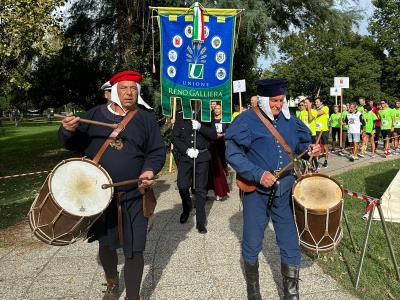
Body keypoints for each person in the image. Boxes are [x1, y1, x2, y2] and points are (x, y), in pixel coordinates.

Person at [59, 70, 166, 300]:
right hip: (100, 197)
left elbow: (156, 151)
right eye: (124, 88)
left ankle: (134, 296)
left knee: (135, 248)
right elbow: (74, 143)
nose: (129, 93)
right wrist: (67, 130)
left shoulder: (145, 119)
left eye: (133, 89)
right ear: (114, 92)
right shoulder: (95, 114)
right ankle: (112, 283)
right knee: (106, 244)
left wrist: (149, 170)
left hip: (135, 193)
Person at [225, 78, 320, 300]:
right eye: (275, 100)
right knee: (252, 240)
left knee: (289, 239)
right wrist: (258, 173)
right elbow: (233, 154)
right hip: (256, 192)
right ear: (264, 100)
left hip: (285, 190)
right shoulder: (246, 120)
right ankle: (253, 290)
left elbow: (298, 146)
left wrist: (309, 149)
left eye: (281, 100)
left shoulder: (290, 120)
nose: (278, 105)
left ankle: (292, 293)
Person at [171, 101, 217, 233]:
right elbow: (175, 137)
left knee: (201, 190)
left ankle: (201, 221)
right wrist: (186, 150)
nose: (193, 101)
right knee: (182, 185)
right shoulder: (181, 114)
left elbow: (213, 135)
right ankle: (187, 207)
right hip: (186, 157)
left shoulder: (208, 114)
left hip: (201, 156)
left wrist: (200, 127)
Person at [208, 103, 230, 200]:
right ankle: (217, 185)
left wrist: (223, 134)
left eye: (218, 108)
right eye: (215, 108)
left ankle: (226, 176)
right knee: (215, 164)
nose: (217, 110)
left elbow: (229, 130)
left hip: (221, 142)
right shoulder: (211, 118)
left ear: (221, 110)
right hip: (213, 143)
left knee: (222, 161)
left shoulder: (225, 119)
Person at [314, 98, 329, 167]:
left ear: (321, 102)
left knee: (325, 145)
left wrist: (311, 112)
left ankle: (326, 160)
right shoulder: (314, 109)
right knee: (317, 145)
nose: (316, 103)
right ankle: (316, 160)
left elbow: (318, 113)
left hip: (324, 130)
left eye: (317, 102)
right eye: (315, 102)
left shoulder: (325, 108)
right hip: (316, 130)